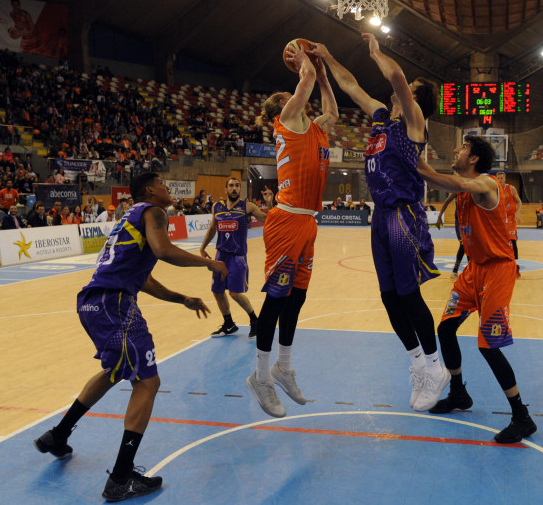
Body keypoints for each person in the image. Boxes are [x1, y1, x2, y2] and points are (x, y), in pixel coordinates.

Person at [33, 173, 227, 501]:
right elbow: (163, 250)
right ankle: (121, 478)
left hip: (93, 303)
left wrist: (182, 298)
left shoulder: (130, 218)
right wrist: (209, 264)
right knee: (148, 383)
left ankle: (58, 435)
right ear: (150, 191)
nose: (169, 189)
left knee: (116, 371)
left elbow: (145, 280)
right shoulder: (155, 212)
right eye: (165, 184)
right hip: (115, 304)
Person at [313, 34, 449, 412]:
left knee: (408, 295)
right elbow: (350, 86)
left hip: (404, 215)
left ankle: (436, 366)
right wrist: (327, 55)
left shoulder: (414, 121)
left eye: (409, 89)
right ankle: (418, 364)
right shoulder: (379, 119)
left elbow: (398, 79)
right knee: (389, 298)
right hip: (380, 216)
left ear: (415, 97)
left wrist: (375, 51)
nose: (395, 93)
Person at [416, 136, 536, 443]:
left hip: (497, 269)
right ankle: (458, 393)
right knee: (445, 329)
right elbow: (451, 186)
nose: (456, 150)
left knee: (488, 346)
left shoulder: (486, 184)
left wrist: (408, 156)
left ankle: (522, 416)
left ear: (473, 159)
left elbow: (446, 181)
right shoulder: (462, 190)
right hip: (474, 269)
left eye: (462, 148)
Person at [246, 44, 337, 419]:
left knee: (296, 299)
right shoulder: (287, 117)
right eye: (293, 92)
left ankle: (284, 368)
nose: (299, 96)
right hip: (286, 220)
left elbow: (331, 109)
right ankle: (261, 377)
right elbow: (308, 81)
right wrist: (304, 61)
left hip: (307, 222)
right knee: (276, 300)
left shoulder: (313, 128)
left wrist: (325, 74)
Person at [200, 177, 267, 339]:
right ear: (226, 190)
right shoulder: (217, 206)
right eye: (231, 186)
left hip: (237, 257)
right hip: (220, 256)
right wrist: (202, 248)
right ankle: (229, 323)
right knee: (217, 291)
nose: (234, 188)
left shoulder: (247, 206)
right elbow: (212, 229)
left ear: (240, 190)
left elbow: (267, 220)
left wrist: (269, 204)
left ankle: (255, 321)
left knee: (235, 293)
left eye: (237, 186)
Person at [495, 170, 521, 278]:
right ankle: (501, 267)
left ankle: (516, 267)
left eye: (502, 178)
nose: (500, 180)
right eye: (498, 178)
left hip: (510, 219)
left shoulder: (511, 188)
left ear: (505, 179)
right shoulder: (494, 190)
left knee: (513, 242)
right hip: (499, 220)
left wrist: (518, 213)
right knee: (499, 244)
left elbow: (519, 202)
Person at [436, 192, 467, 281]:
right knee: (464, 244)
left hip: (470, 220)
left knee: (469, 245)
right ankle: (455, 271)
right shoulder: (457, 191)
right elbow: (446, 202)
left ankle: (460, 271)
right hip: (460, 221)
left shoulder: (471, 188)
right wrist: (439, 216)